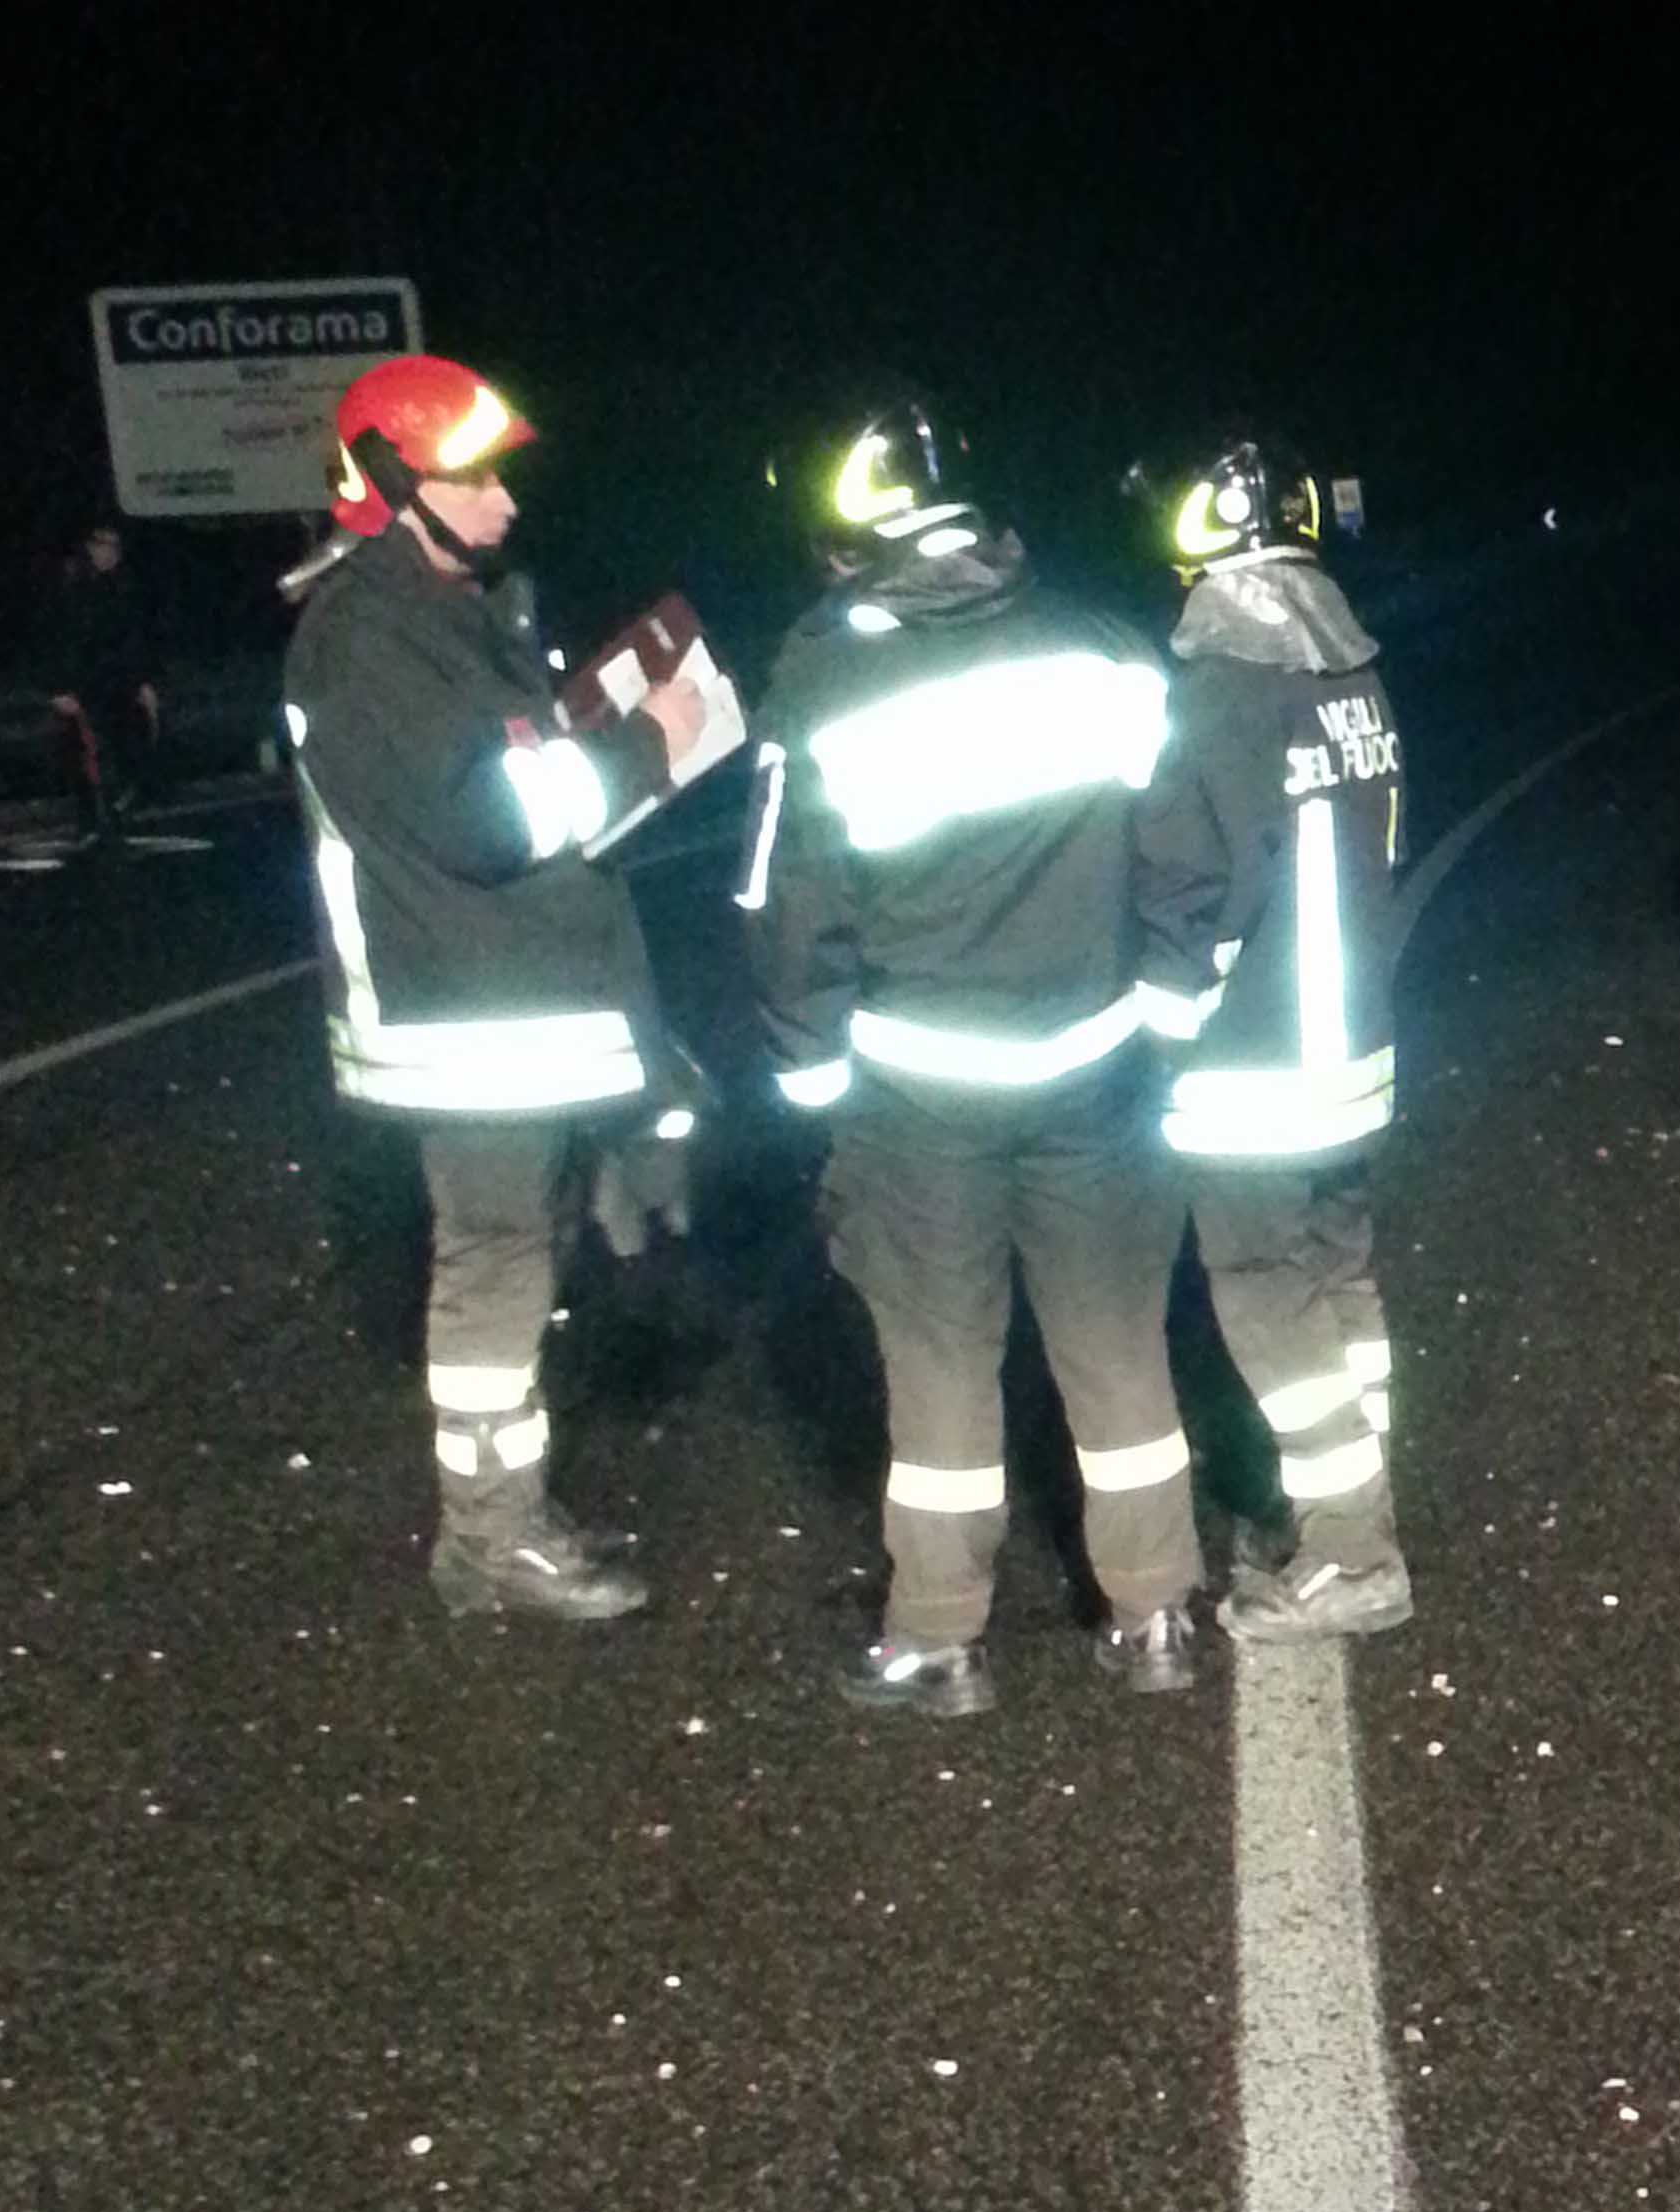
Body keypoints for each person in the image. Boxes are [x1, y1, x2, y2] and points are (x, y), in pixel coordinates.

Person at [743, 389, 1216, 1717]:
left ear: (843, 530)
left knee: (941, 1356)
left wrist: (807, 1079)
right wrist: (1163, 1011)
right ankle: (1158, 1615)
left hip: (921, 1092)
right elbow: (1182, 855)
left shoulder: (822, 683)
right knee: (1118, 1342)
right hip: (1099, 1073)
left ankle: (942, 1636)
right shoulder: (1102, 647)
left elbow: (789, 912)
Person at [281, 353, 718, 1622]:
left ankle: (507, 1517)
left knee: (523, 1257)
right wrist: (645, 748)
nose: (505, 501)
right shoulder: (368, 636)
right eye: (473, 478)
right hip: (464, 1024)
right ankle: (489, 1540)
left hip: (511, 1008)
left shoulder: (443, 614)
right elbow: (482, 820)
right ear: (388, 484)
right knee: (494, 1265)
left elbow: (510, 779)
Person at [1149, 442, 1414, 1639]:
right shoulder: (1355, 672)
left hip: (1254, 1068)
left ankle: (1352, 1552)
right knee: (1337, 1274)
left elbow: (1186, 889)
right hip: (1356, 1045)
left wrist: (1158, 1039)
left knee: (1266, 1292)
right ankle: (1357, 1502)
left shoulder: (1216, 688)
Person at [41, 520, 163, 836]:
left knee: (129, 750)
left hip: (119, 685)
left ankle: (116, 812)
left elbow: (136, 638)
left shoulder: (126, 588)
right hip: (82, 687)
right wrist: (57, 688)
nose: (107, 553)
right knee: (87, 754)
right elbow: (56, 639)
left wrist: (143, 681)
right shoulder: (70, 587)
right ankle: (94, 818)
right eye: (100, 544)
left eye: (113, 546)